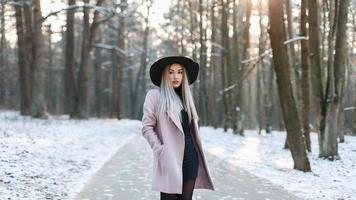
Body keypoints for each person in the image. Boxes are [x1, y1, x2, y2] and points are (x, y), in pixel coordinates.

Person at [142, 56, 215, 200]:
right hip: (169, 159)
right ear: (164, 74)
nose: (176, 76)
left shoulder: (186, 98)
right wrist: (161, 151)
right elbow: (147, 127)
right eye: (171, 72)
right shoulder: (155, 96)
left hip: (190, 159)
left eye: (180, 72)